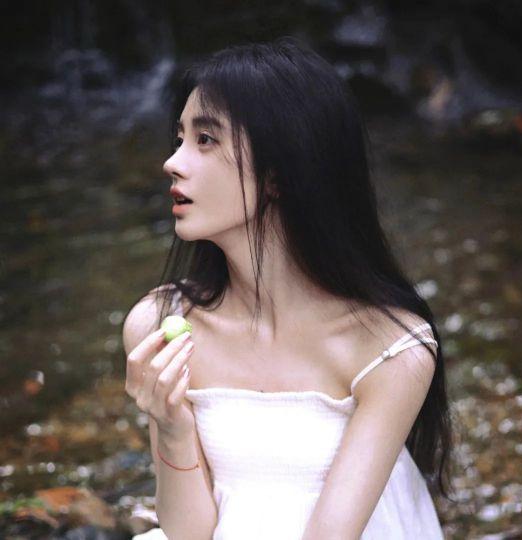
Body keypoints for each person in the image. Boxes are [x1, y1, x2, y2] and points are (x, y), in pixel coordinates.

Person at [123, 36, 454, 539]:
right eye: (180, 138)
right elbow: (186, 535)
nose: (173, 161)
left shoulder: (391, 349)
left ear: (278, 173)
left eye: (205, 139)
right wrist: (172, 426)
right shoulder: (160, 324)